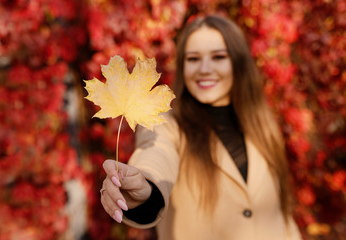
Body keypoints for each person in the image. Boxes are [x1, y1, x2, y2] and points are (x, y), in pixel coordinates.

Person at [100, 15, 302, 240]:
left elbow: (280, 216)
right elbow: (156, 153)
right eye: (193, 59)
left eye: (218, 57)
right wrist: (145, 186)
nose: (205, 69)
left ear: (238, 62)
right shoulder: (166, 123)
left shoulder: (261, 124)